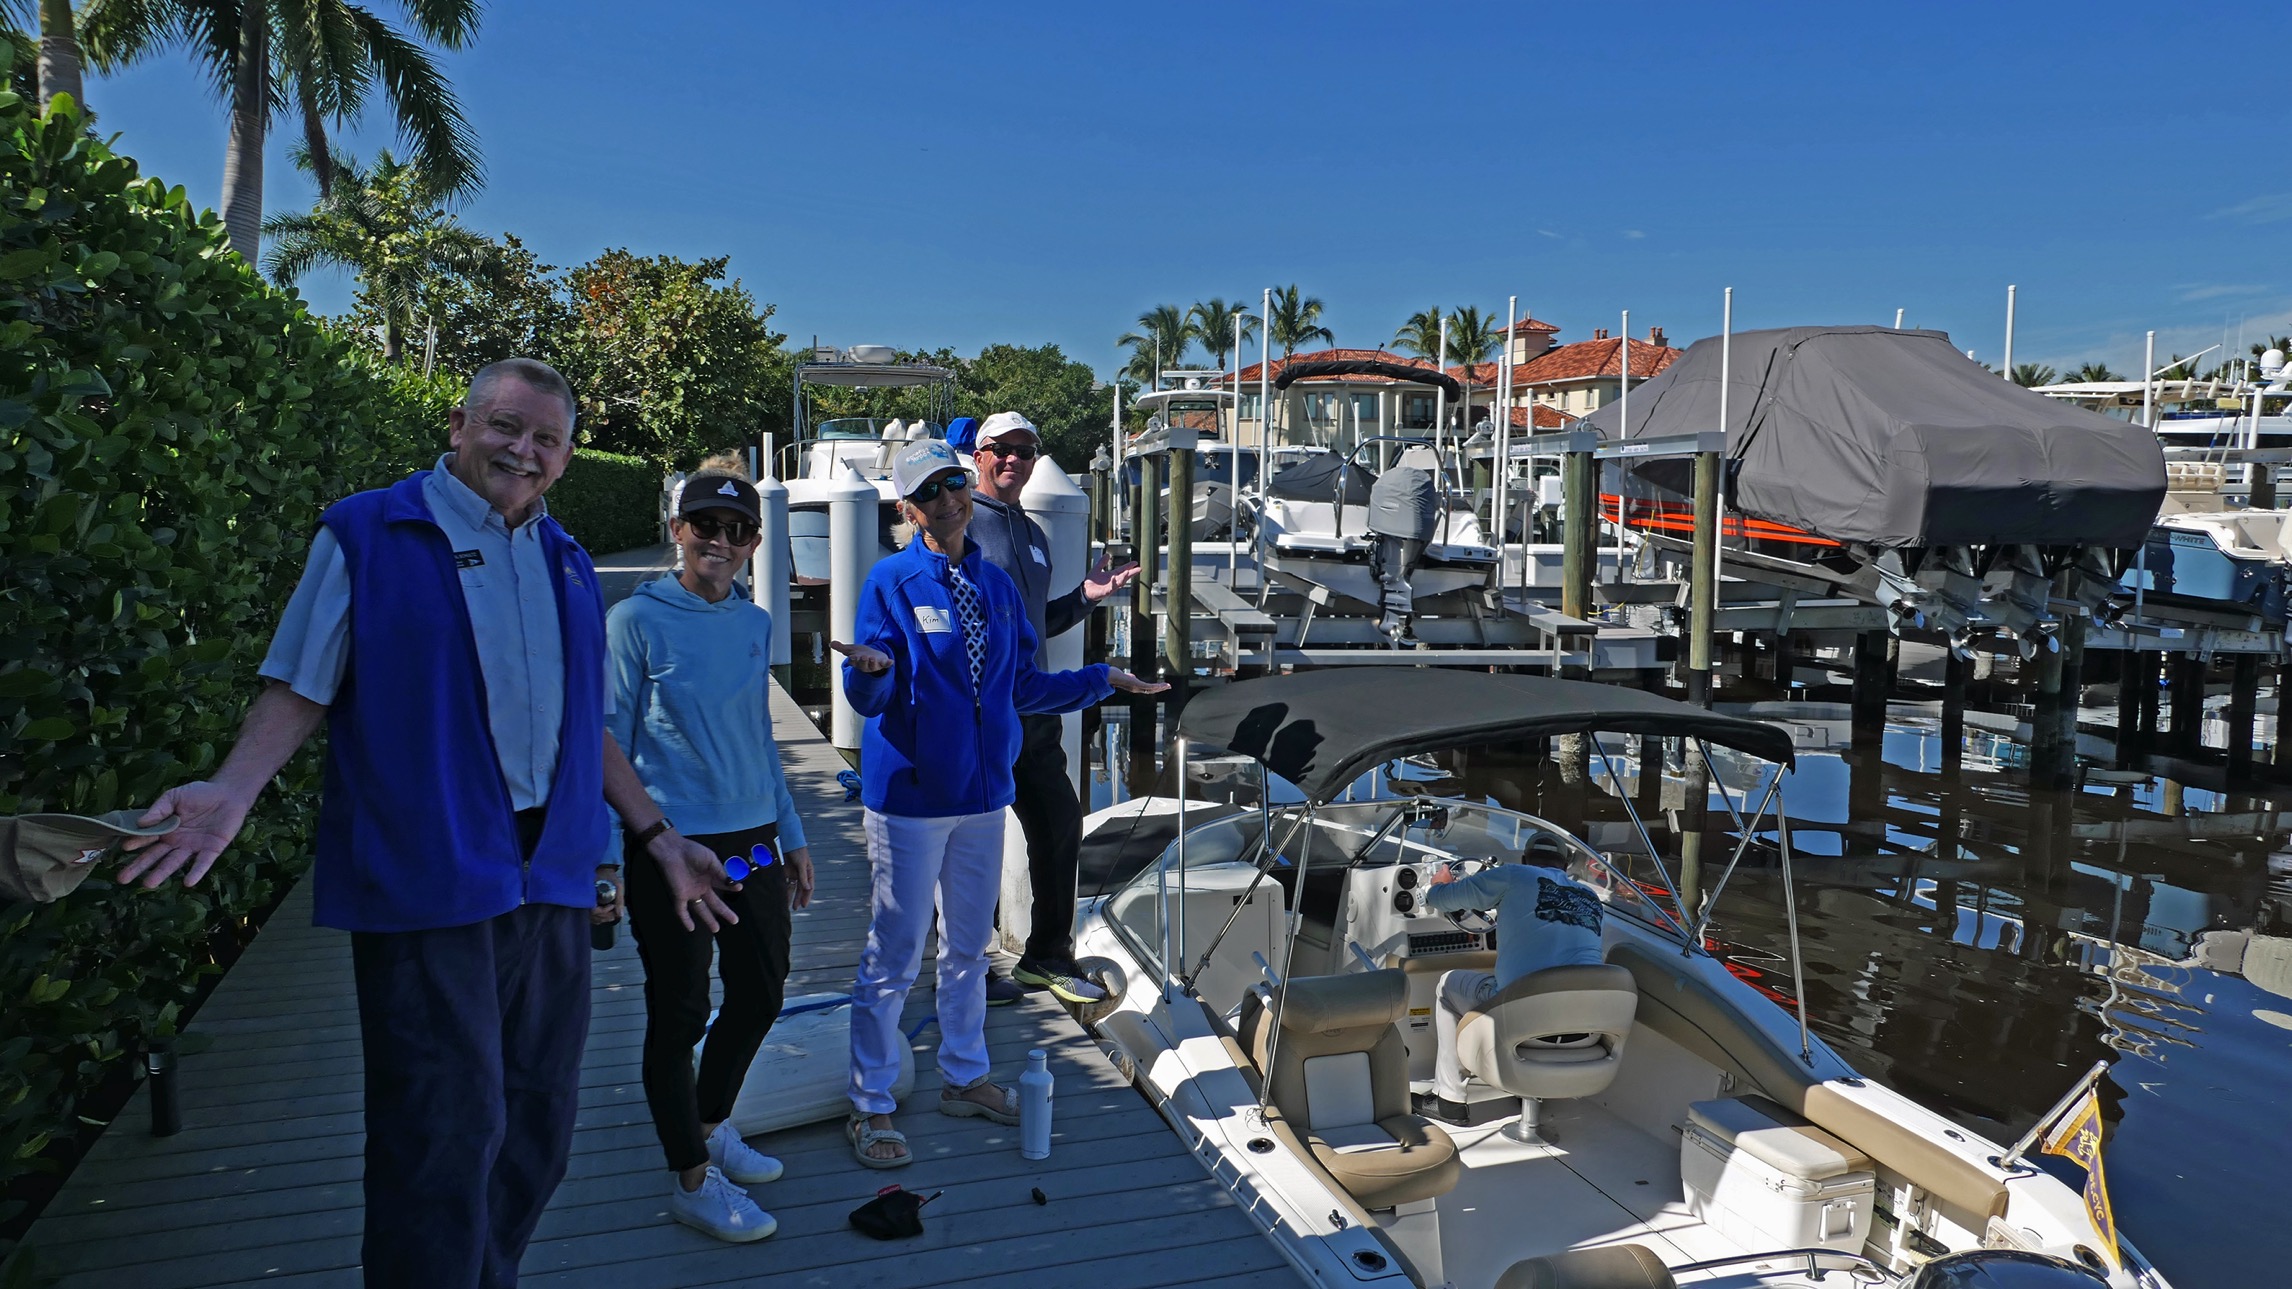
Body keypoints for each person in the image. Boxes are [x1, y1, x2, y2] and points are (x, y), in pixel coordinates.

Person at [118, 359, 736, 1288]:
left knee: (536, 1125)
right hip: (429, 877)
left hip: (552, 882)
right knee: (440, 1132)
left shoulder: (567, 560)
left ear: (566, 458)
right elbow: (301, 681)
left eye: (546, 439)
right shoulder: (368, 531)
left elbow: (586, 728)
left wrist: (655, 837)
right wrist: (234, 789)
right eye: (504, 426)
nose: (522, 451)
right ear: (458, 425)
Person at [828, 439, 1164, 1168]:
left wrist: (1101, 678)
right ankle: (871, 1102)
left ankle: (964, 1075)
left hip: (983, 795)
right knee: (894, 952)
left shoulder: (997, 587)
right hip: (911, 799)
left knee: (968, 948)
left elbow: (1024, 687)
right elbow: (871, 696)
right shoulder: (891, 580)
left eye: (954, 481)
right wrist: (870, 673)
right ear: (908, 509)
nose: (949, 497)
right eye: (930, 490)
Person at [606, 466, 817, 1243]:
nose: (720, 542)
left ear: (755, 542)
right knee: (681, 1011)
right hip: (670, 845)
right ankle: (692, 1179)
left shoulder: (753, 621)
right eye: (705, 525)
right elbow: (604, 739)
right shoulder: (634, 620)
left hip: (754, 837)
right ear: (678, 530)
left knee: (761, 991)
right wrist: (610, 858)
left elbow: (759, 735)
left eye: (738, 530)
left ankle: (708, 1122)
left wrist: (792, 831)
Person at [964, 411, 1140, 1006]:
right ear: (980, 456)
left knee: (1061, 825)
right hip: (978, 719)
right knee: (972, 842)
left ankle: (1046, 955)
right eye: (1001, 449)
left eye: (1026, 450)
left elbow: (1036, 625)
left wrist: (1086, 597)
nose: (1013, 459)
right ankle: (964, 966)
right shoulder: (961, 523)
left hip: (1032, 712)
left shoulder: (1034, 536)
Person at [1421, 835, 1607, 1125]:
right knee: (1532, 990)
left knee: (1447, 985)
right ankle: (1526, 1089)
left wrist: (1438, 884)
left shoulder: (1513, 875)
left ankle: (1449, 1099)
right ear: (1565, 866)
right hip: (1584, 1030)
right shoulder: (1591, 898)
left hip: (1522, 1024)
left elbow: (1443, 899)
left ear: (1524, 859)